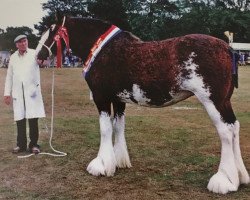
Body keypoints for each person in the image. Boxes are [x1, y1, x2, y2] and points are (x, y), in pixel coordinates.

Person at [3, 34, 45, 154]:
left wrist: (43, 61)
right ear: (16, 45)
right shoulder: (13, 57)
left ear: (27, 42)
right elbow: (9, 77)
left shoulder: (34, 53)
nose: (23, 43)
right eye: (20, 42)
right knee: (20, 120)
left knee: (33, 120)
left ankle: (34, 145)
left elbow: (43, 61)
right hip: (18, 93)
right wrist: (7, 93)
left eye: (25, 41)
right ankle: (20, 145)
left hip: (32, 92)